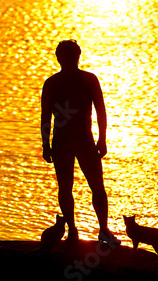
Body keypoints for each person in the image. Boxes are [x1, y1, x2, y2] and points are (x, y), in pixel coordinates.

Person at [40, 39, 119, 246]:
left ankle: (89, 230)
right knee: (85, 187)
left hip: (73, 140)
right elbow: (46, 116)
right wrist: (45, 144)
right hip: (76, 140)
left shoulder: (57, 82)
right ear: (76, 56)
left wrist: (46, 144)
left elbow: (46, 117)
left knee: (80, 187)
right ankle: (82, 230)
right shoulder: (85, 80)